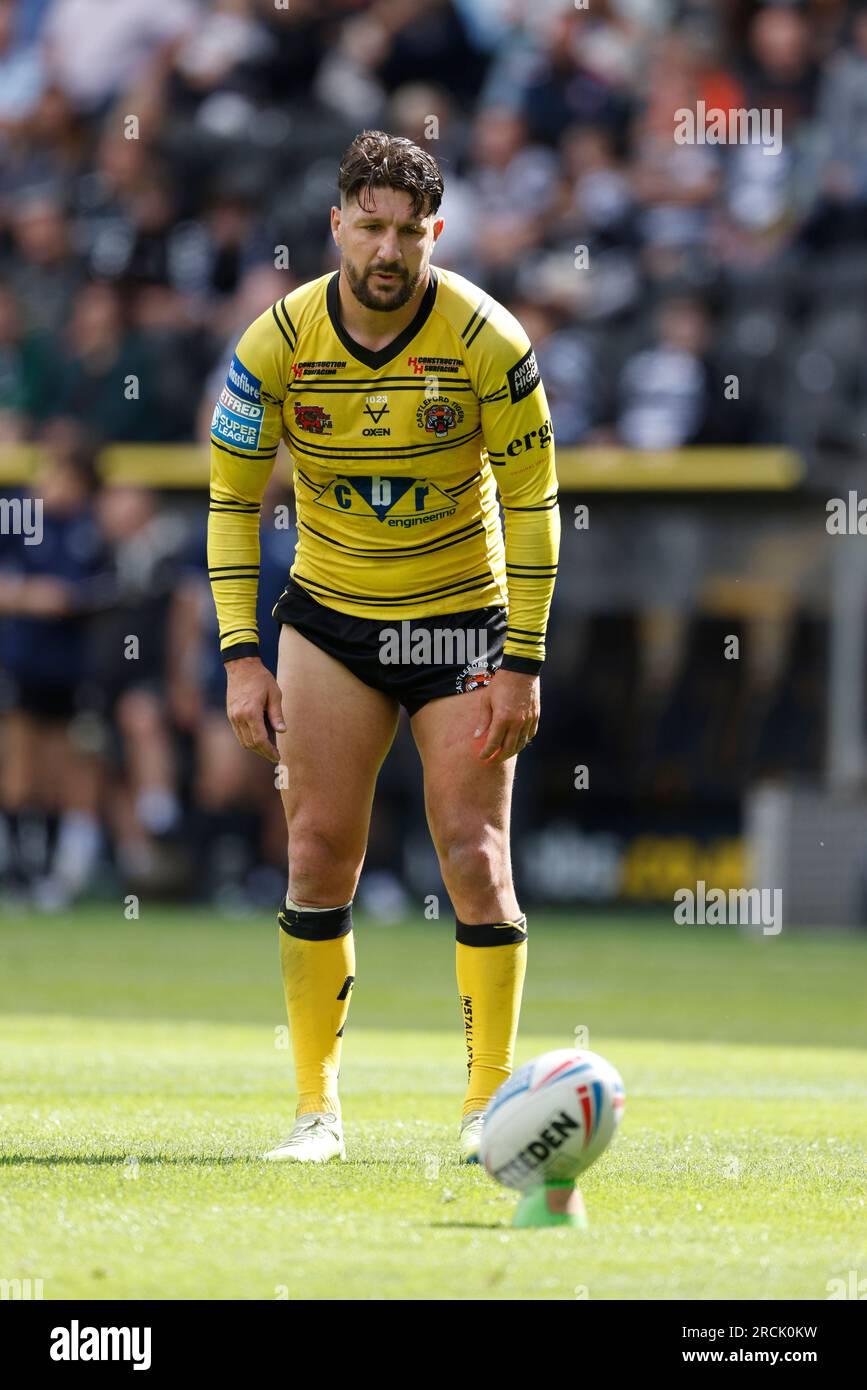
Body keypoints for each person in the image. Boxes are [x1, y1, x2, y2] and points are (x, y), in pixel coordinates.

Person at [207, 130, 560, 1164]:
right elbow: (234, 502)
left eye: (410, 230)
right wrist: (241, 655)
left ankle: (488, 1111)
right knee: (318, 855)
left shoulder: (489, 340)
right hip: (330, 620)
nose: (389, 249)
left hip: (461, 619)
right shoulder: (274, 343)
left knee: (477, 860)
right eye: (370, 227)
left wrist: (525, 659)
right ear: (337, 225)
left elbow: (535, 505)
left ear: (436, 232)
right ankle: (317, 1114)